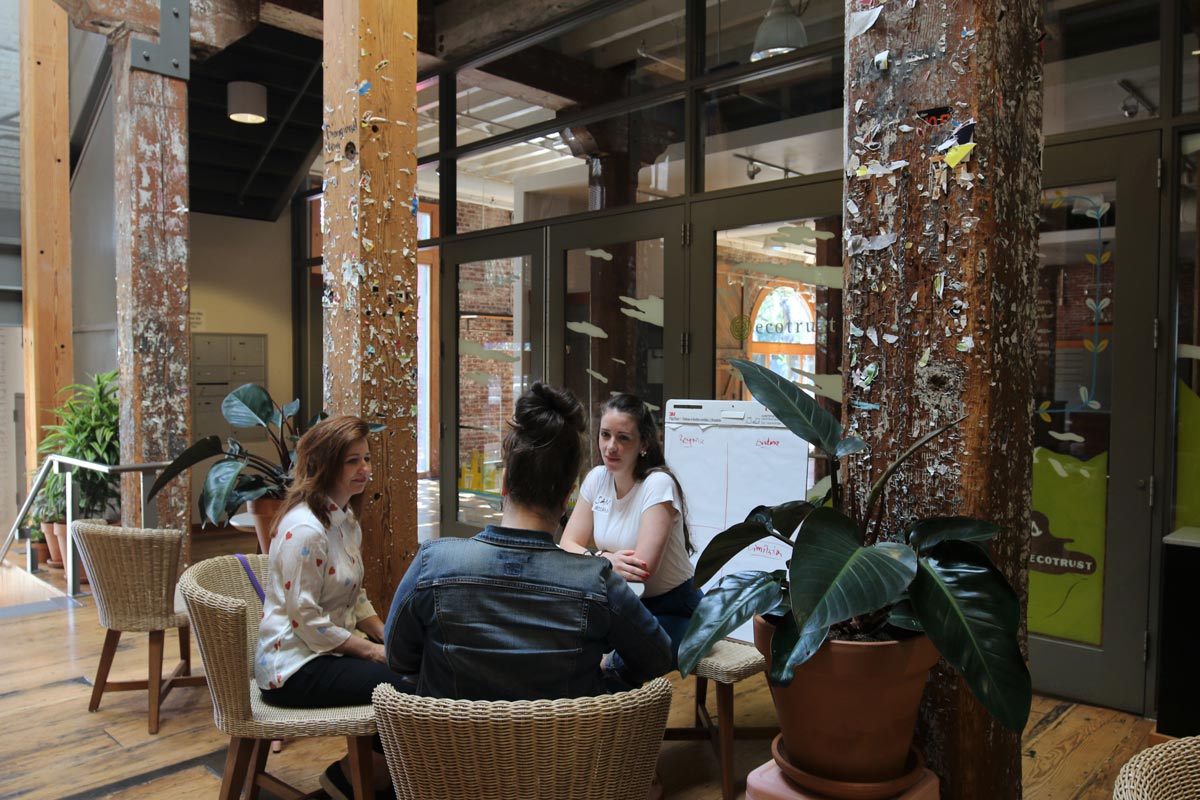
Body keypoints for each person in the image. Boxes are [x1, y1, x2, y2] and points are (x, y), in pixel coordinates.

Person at [385, 382, 672, 700]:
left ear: (504, 484)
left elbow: (399, 659)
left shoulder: (433, 565)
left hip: (452, 747)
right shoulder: (597, 584)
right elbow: (657, 657)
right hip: (563, 747)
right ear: (567, 497)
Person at [254, 415, 406, 800]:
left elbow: (355, 596)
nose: (365, 470)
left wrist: (389, 638)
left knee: (408, 669)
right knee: (398, 688)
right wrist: (373, 652)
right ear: (324, 465)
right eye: (352, 461)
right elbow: (306, 621)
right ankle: (353, 777)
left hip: (323, 655)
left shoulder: (344, 521)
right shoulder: (306, 530)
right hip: (291, 668)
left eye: (367, 459)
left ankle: (371, 776)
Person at [560, 393, 701, 671]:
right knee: (572, 650)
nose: (611, 447)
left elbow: (641, 569)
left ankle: (618, 714)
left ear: (644, 443)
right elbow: (566, 544)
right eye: (605, 435)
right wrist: (606, 559)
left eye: (623, 438)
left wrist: (590, 559)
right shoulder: (596, 479)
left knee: (616, 666)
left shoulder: (658, 484)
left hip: (675, 607)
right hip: (620, 603)